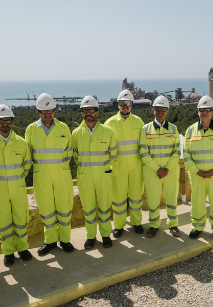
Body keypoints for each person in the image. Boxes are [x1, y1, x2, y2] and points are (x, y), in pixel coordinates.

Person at [0, 104, 33, 266]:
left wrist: (15, 178)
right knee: (2, 221)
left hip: (17, 187)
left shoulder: (21, 143)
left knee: (21, 219)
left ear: (12, 122)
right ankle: (8, 251)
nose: (5, 124)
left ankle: (23, 248)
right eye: (1, 121)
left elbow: (27, 165)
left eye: (8, 120)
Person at [25, 93, 75, 255]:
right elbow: (28, 154)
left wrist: (58, 167)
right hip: (41, 176)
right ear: (38, 112)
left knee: (64, 208)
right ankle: (50, 241)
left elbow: (69, 152)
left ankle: (65, 240)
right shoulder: (31, 130)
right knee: (46, 209)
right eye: (44, 111)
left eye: (51, 111)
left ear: (55, 111)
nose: (48, 114)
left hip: (62, 175)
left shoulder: (64, 128)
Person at [71, 96, 117, 249]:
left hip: (103, 176)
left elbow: (113, 154)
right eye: (85, 111)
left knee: (104, 207)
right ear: (82, 113)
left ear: (97, 112)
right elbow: (75, 156)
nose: (88, 113)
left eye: (91, 110)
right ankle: (90, 236)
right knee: (88, 209)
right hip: (85, 177)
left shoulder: (107, 132)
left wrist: (102, 168)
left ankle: (105, 235)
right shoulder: (76, 134)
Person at [183, 96, 213, 240]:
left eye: (207, 110)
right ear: (198, 112)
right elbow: (186, 155)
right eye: (201, 110)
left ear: (212, 113)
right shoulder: (190, 131)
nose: (204, 113)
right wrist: (197, 171)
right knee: (197, 202)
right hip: (197, 175)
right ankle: (197, 226)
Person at [139, 95, 181, 238]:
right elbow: (143, 152)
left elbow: (177, 151)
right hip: (153, 172)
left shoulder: (173, 129)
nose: (160, 112)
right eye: (158, 109)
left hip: (170, 171)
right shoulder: (146, 129)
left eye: (163, 109)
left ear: (167, 111)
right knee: (153, 199)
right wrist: (157, 169)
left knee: (171, 198)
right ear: (153, 110)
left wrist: (167, 168)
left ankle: (173, 224)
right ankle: (153, 225)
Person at [105, 90, 145, 238]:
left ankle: (136, 223)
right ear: (118, 105)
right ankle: (119, 226)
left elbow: (143, 145)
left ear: (132, 105)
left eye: (127, 104)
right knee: (118, 199)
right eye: (122, 104)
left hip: (136, 167)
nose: (125, 106)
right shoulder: (109, 124)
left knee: (136, 197)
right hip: (118, 168)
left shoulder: (138, 122)